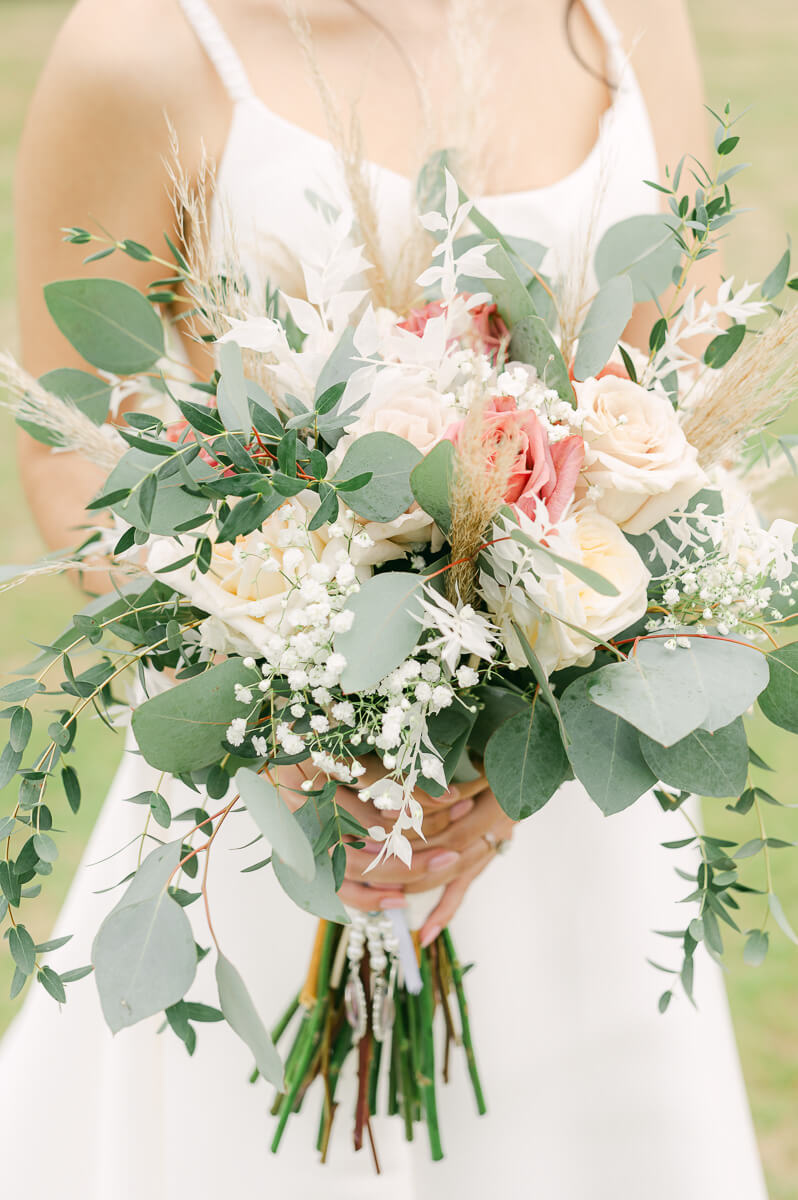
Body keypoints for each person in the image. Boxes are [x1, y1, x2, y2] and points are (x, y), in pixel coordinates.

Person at [4, 1, 768, 1196]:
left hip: (574, 833)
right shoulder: (142, 43)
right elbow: (68, 448)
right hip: (273, 818)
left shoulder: (620, 14)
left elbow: (682, 383)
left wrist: (521, 749)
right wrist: (279, 708)